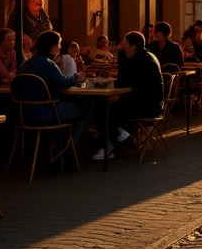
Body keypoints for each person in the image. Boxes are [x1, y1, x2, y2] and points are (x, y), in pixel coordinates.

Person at [15, 31, 92, 149]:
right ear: (53, 46)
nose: (60, 48)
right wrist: (75, 76)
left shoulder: (24, 65)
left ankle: (59, 143)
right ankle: (71, 146)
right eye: (59, 44)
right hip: (48, 113)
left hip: (23, 114)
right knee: (88, 110)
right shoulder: (48, 64)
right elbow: (63, 82)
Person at [98, 31, 164, 161]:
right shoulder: (139, 56)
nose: (122, 46)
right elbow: (127, 83)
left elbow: (126, 83)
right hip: (143, 100)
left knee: (103, 109)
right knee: (103, 106)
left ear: (133, 47)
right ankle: (118, 136)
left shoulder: (143, 60)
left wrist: (121, 57)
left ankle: (111, 143)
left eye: (125, 44)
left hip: (147, 106)